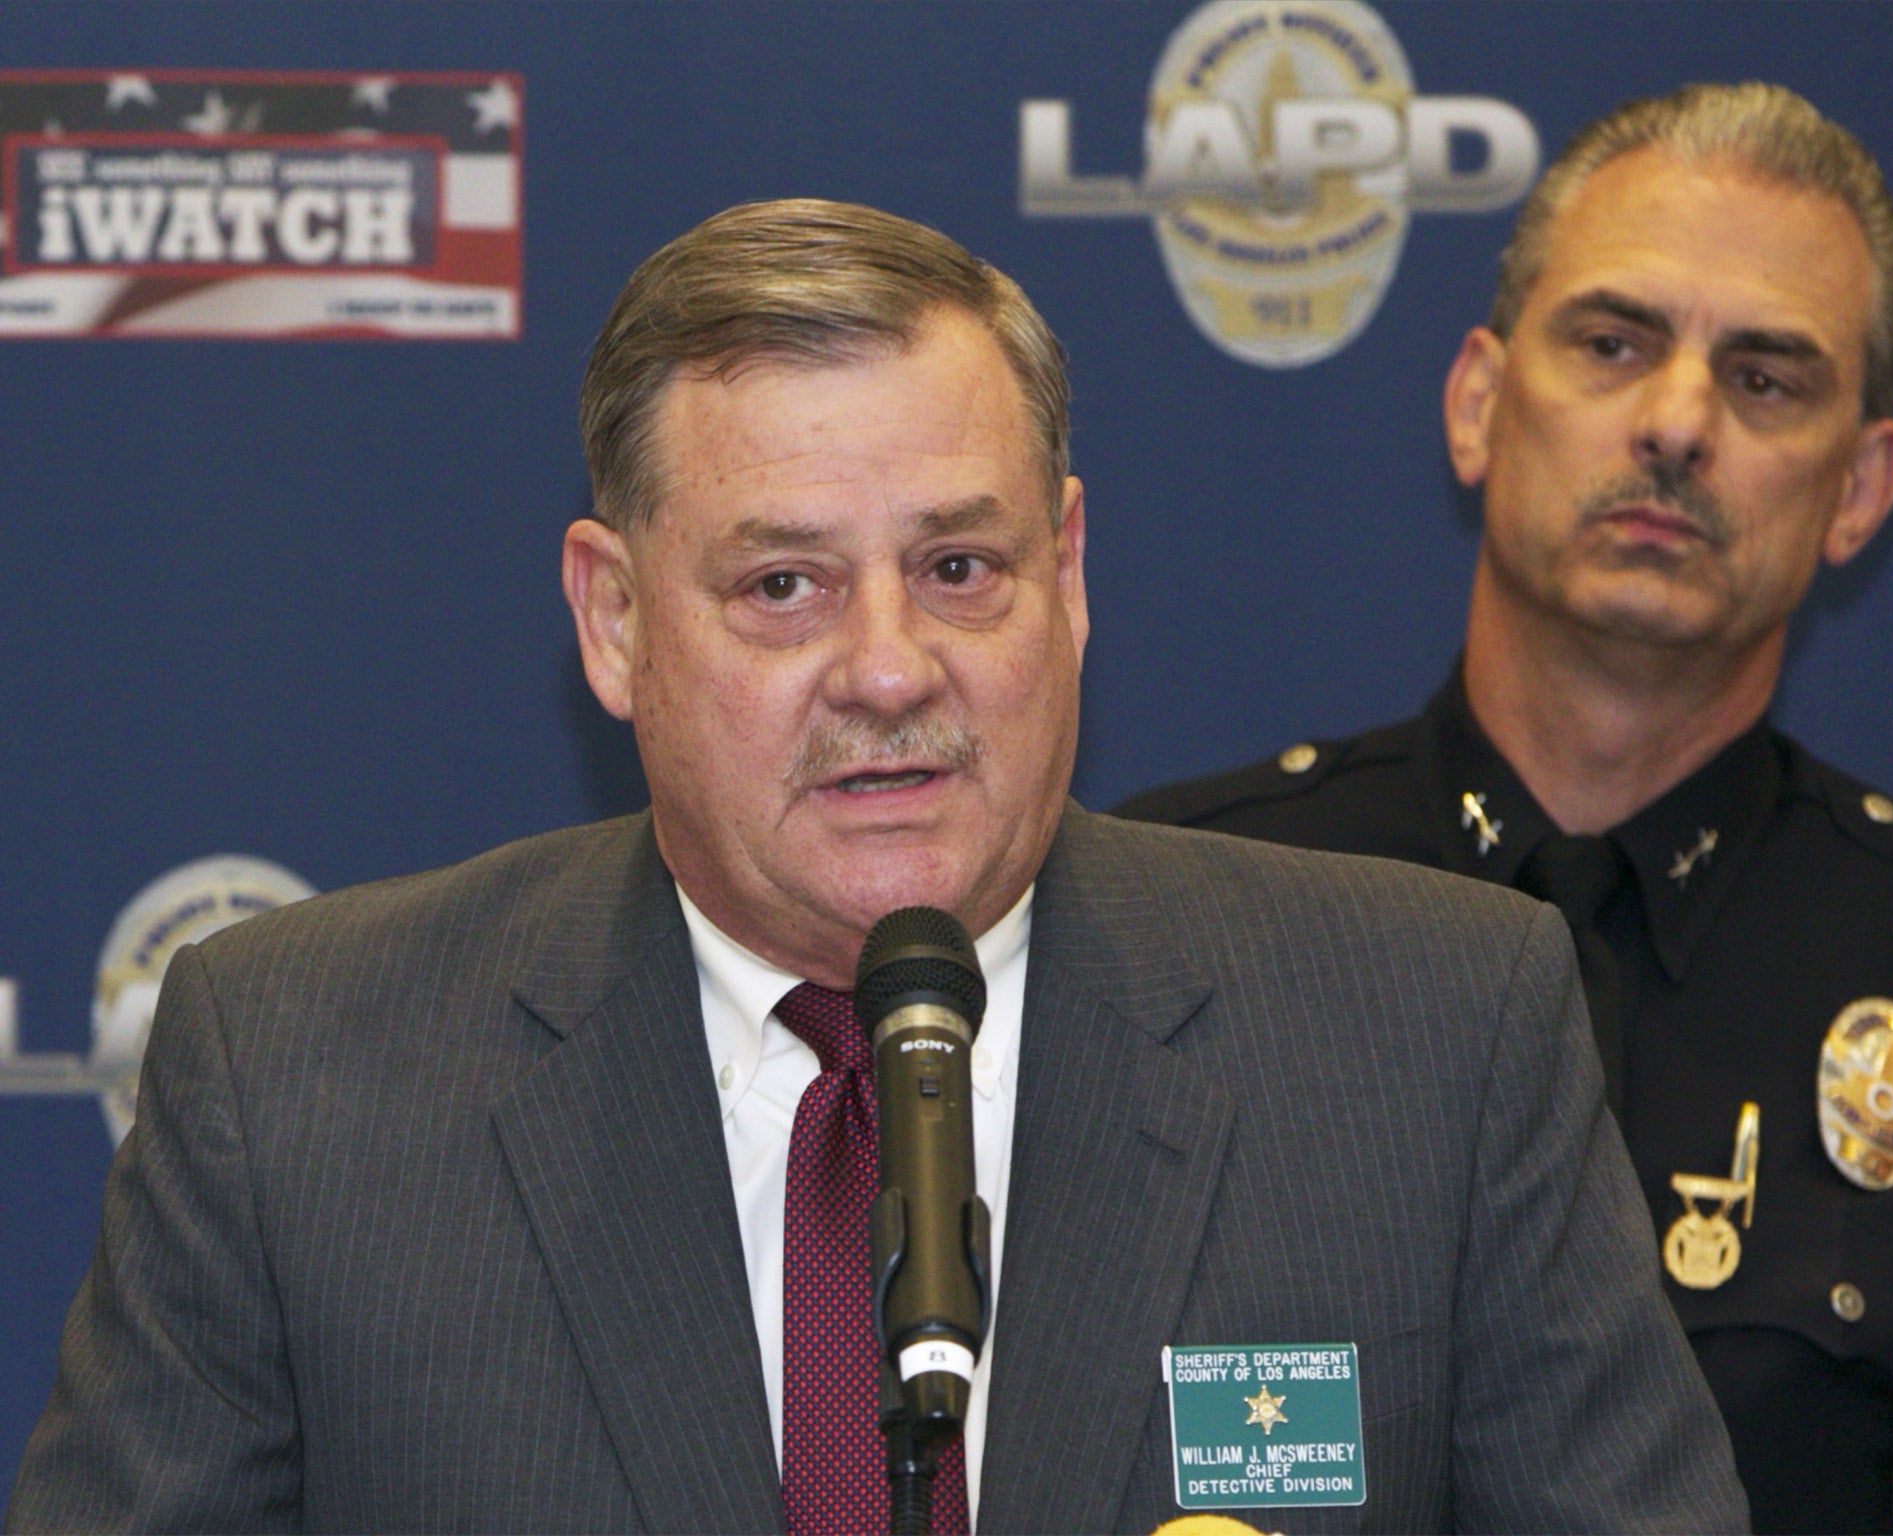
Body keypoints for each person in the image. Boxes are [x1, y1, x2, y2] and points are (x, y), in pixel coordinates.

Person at [7, 199, 1745, 1535]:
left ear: (1068, 569)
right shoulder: (295, 1077)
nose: (892, 669)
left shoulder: (1439, 1038)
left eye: (963, 568)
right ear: (612, 621)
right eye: (785, 586)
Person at [1119, 84, 1893, 1535]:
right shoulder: (1170, 909)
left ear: (1861, 488)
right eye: (1613, 344)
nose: (1676, 424)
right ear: (1479, 402)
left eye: (1766, 379)